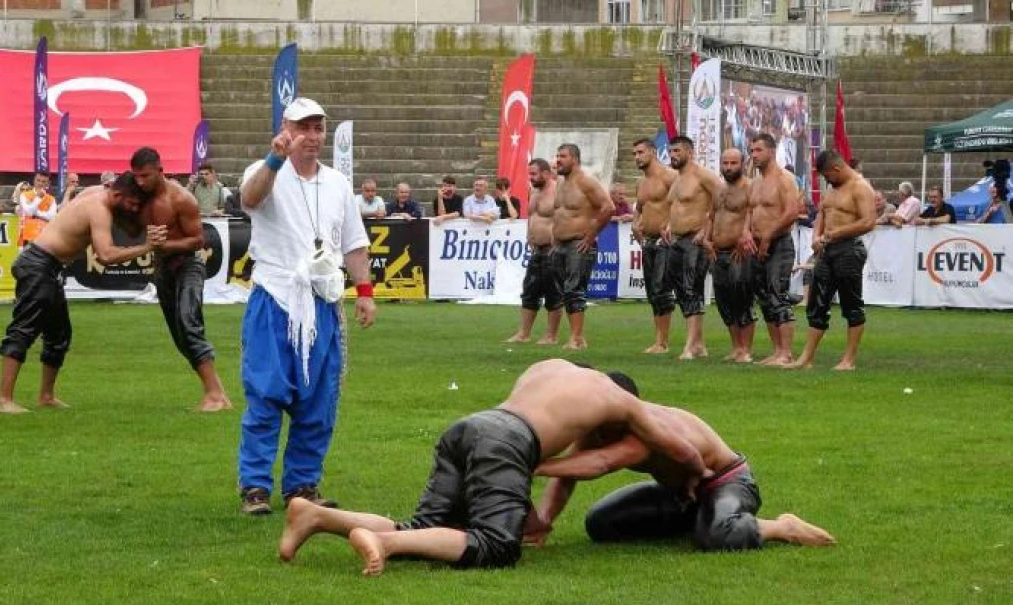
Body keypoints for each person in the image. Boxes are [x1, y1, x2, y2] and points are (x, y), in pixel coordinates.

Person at [277, 359, 710, 576]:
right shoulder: (620, 400)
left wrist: (540, 518)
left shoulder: (549, 368)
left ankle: (316, 515)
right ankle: (384, 545)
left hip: (470, 426)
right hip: (509, 440)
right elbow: (681, 449)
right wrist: (697, 478)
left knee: (424, 523)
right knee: (497, 545)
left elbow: (544, 469)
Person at [236, 97, 376, 514]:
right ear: (286, 128)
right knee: (266, 393)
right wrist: (274, 160)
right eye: (304, 128)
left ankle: (301, 485)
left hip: (322, 301)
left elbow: (353, 243)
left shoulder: (336, 183)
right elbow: (250, 198)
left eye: (318, 128)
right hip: (276, 295)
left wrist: (365, 293)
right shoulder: (266, 171)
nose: (312, 136)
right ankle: (255, 487)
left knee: (319, 398)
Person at [527, 374, 835, 552]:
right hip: (678, 492)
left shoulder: (649, 428)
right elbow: (569, 474)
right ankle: (700, 517)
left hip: (726, 482)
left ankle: (781, 527)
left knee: (715, 537)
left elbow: (601, 463)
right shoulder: (598, 425)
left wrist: (537, 464)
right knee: (601, 524)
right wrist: (544, 522)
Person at [0, 173, 166, 413]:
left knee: (59, 334)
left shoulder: (96, 192)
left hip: (49, 267)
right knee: (24, 328)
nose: (134, 209)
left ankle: (46, 396)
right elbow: (105, 256)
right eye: (132, 203)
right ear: (117, 195)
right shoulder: (99, 209)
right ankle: (4, 400)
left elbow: (119, 208)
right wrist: (146, 247)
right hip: (37, 265)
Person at [128, 147, 233, 413]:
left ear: (160, 171)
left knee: (189, 323)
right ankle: (217, 393)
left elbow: (198, 239)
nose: (140, 182)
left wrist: (165, 244)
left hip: (188, 265)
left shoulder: (181, 199)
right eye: (136, 176)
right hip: (163, 269)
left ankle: (215, 395)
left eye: (145, 176)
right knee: (180, 336)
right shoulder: (136, 194)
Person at [789, 151, 877, 371]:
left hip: (849, 249)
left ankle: (849, 360)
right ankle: (806, 358)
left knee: (851, 305)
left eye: (826, 175)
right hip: (827, 251)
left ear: (836, 169)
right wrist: (815, 237)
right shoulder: (831, 189)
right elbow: (822, 214)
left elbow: (868, 222)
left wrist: (837, 233)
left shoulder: (860, 187)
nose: (825, 180)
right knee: (817, 304)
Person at [664, 136, 722, 360]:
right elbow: (676, 207)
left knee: (691, 290)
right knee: (681, 290)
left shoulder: (703, 175)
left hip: (695, 241)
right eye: (671, 151)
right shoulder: (678, 179)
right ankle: (698, 344)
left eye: (677, 151)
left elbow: (722, 200)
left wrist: (706, 231)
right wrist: (669, 225)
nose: (673, 155)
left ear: (689, 151)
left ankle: (691, 345)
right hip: (677, 240)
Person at [553, 144, 614, 350]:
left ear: (575, 159)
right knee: (566, 291)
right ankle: (576, 337)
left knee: (574, 290)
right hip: (561, 244)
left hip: (578, 244)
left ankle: (577, 338)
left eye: (563, 156)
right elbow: (560, 214)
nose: (558, 160)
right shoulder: (560, 182)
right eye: (557, 156)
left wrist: (591, 236)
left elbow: (608, 207)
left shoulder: (586, 181)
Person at [748, 133, 803, 366]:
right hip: (758, 244)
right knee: (764, 298)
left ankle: (787, 352)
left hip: (779, 243)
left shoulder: (784, 178)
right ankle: (777, 350)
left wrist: (769, 236)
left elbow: (792, 212)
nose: (754, 155)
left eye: (758, 150)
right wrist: (747, 233)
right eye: (752, 151)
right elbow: (750, 211)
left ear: (771, 151)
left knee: (778, 295)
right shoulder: (756, 181)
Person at [707, 149, 757, 363]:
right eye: (725, 163)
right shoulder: (718, 188)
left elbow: (754, 214)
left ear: (743, 164)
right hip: (718, 252)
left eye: (733, 163)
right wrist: (708, 240)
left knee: (742, 298)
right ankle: (736, 347)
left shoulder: (750, 187)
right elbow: (711, 216)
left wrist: (746, 235)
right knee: (723, 299)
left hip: (740, 252)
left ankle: (746, 349)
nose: (728, 167)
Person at [504, 158, 562, 345]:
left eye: (534, 174)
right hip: (537, 249)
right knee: (530, 291)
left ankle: (551, 336)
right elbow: (532, 216)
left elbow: (564, 217)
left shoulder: (559, 190)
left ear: (546, 173)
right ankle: (524, 333)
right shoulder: (533, 191)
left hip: (553, 250)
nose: (530, 177)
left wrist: (557, 240)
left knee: (553, 293)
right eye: (529, 174)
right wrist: (530, 234)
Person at [630, 138, 678, 354]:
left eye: (640, 152)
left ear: (653, 152)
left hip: (665, 241)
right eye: (634, 154)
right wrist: (634, 223)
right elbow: (639, 207)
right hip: (647, 241)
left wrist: (671, 224)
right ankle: (658, 339)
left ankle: (663, 341)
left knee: (661, 289)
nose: (636, 157)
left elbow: (684, 203)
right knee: (651, 291)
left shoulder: (670, 176)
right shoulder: (641, 182)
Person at [17, 172, 57, 246]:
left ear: (47, 183)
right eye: (38, 180)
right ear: (34, 181)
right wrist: (38, 198)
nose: (40, 183)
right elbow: (28, 212)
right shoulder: (25, 195)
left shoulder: (51, 199)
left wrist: (36, 213)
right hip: (27, 236)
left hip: (44, 237)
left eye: (43, 181)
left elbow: (52, 217)